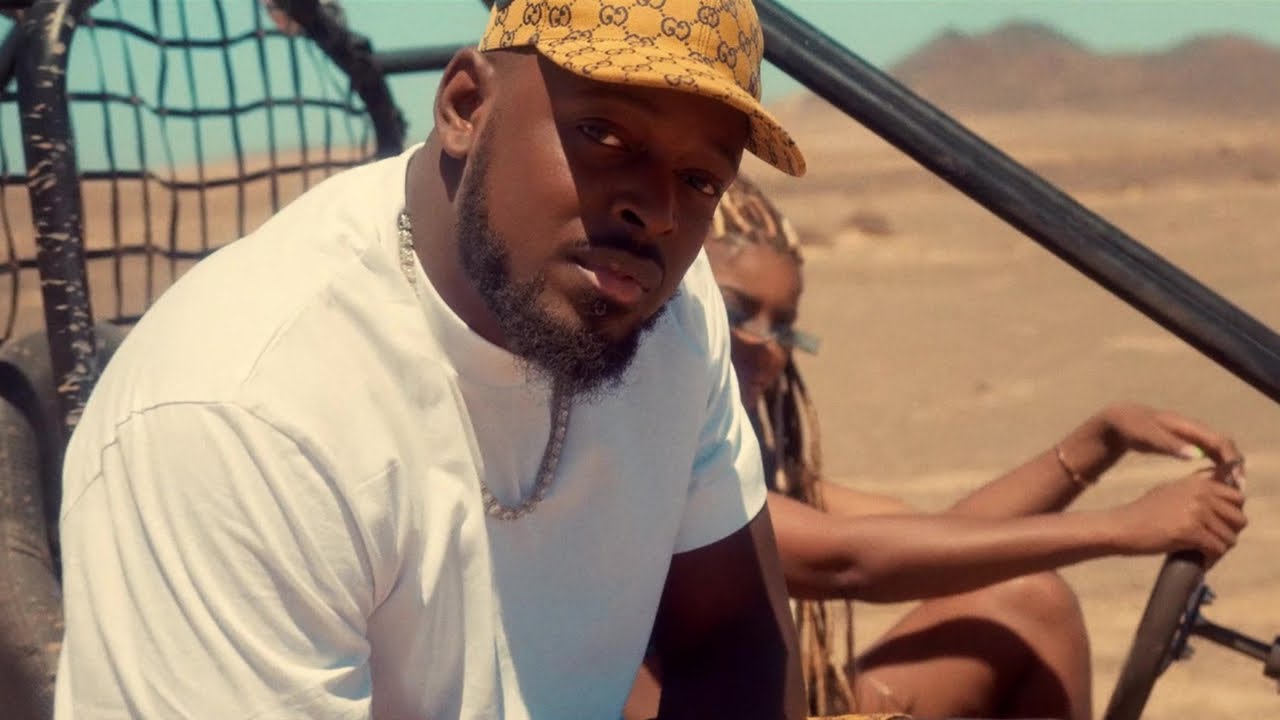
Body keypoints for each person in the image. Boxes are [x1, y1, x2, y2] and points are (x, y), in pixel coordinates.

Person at [53, 2, 812, 718]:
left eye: (699, 179)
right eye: (604, 134)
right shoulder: (244, 414)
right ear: (464, 108)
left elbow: (735, 641)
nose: (657, 211)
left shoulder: (671, 303)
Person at [626, 176, 1250, 720]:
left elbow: (937, 539)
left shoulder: (741, 460)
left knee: (1023, 603)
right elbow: (849, 561)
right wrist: (1121, 529)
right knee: (1034, 600)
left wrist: (1094, 445)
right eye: (738, 312)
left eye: (784, 325)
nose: (768, 346)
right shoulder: (645, 454)